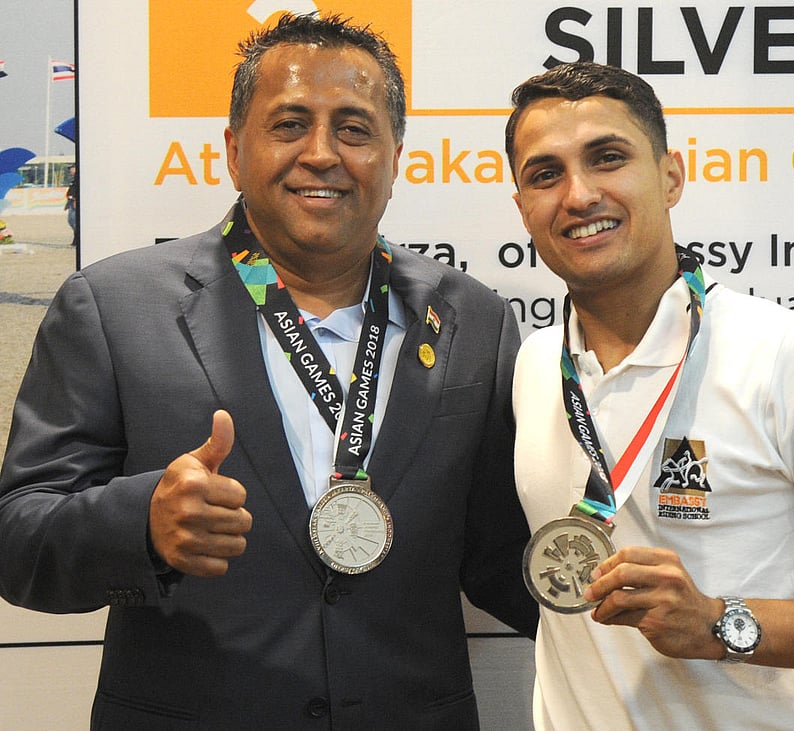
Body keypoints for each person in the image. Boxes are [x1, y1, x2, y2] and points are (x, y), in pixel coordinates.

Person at [0, 13, 536, 729]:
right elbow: (19, 539)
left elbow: (499, 553)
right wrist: (143, 525)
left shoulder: (475, 318)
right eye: (289, 124)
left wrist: (625, 602)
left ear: (394, 152)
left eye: (354, 128)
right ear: (232, 148)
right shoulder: (112, 307)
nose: (322, 153)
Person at [505, 61, 794, 730]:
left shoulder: (791, 356)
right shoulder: (536, 362)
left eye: (608, 158)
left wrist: (723, 622)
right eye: (545, 173)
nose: (578, 194)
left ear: (671, 175)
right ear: (522, 206)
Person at [64, 163, 77, 246]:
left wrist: (76, 201)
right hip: (71, 202)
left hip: (74, 202)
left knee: (74, 222)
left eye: (71, 168)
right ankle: (75, 241)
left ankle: (76, 241)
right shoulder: (74, 180)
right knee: (71, 222)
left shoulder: (78, 179)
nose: (70, 170)